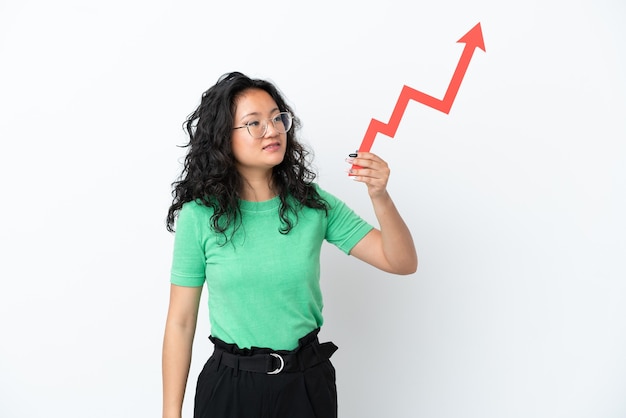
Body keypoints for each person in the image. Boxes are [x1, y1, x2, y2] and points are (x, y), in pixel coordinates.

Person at [162, 71, 417, 418]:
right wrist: (170, 412)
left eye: (276, 118)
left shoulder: (313, 205)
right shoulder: (199, 216)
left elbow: (401, 261)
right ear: (223, 138)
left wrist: (379, 195)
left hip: (306, 385)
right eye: (254, 123)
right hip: (230, 388)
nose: (272, 129)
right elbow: (180, 321)